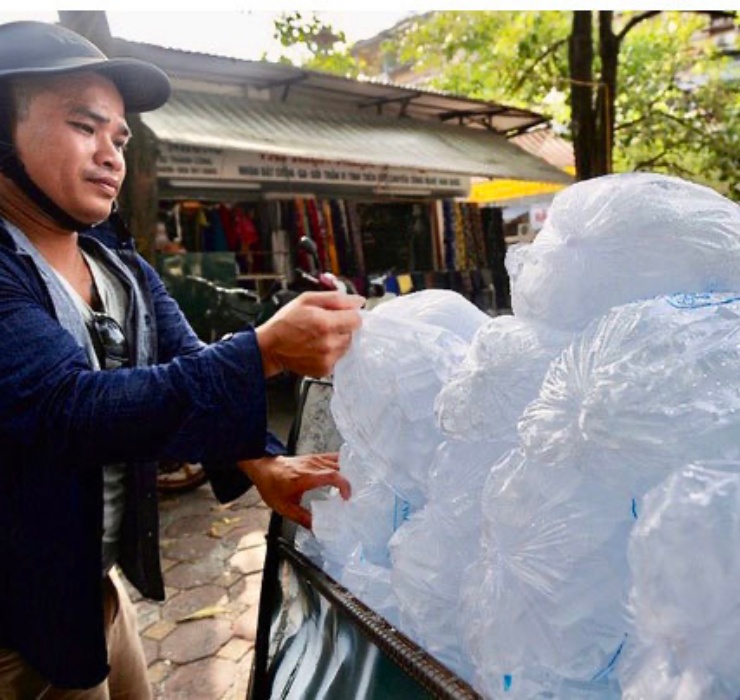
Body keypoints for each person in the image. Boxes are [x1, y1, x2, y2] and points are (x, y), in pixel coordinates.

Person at [0, 20, 364, 699]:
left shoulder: (118, 264)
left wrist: (261, 459)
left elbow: (184, 361)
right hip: (15, 633)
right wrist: (265, 351)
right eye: (85, 125)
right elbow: (65, 409)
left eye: (120, 138)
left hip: (91, 599)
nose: (112, 155)